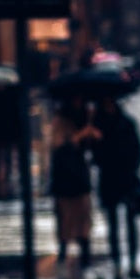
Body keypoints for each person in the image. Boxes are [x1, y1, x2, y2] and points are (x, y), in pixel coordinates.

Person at [91, 97, 140, 278]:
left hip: (127, 178)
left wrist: (132, 168)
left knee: (130, 223)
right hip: (109, 179)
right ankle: (116, 263)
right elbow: (94, 155)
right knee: (113, 225)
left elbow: (138, 150)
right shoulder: (97, 125)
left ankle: (132, 262)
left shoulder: (127, 122)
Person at [49, 96, 98, 267]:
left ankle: (85, 256)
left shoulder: (86, 118)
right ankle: (63, 254)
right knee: (65, 222)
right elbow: (59, 147)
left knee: (83, 221)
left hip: (80, 180)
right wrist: (78, 136)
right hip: (64, 180)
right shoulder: (60, 122)